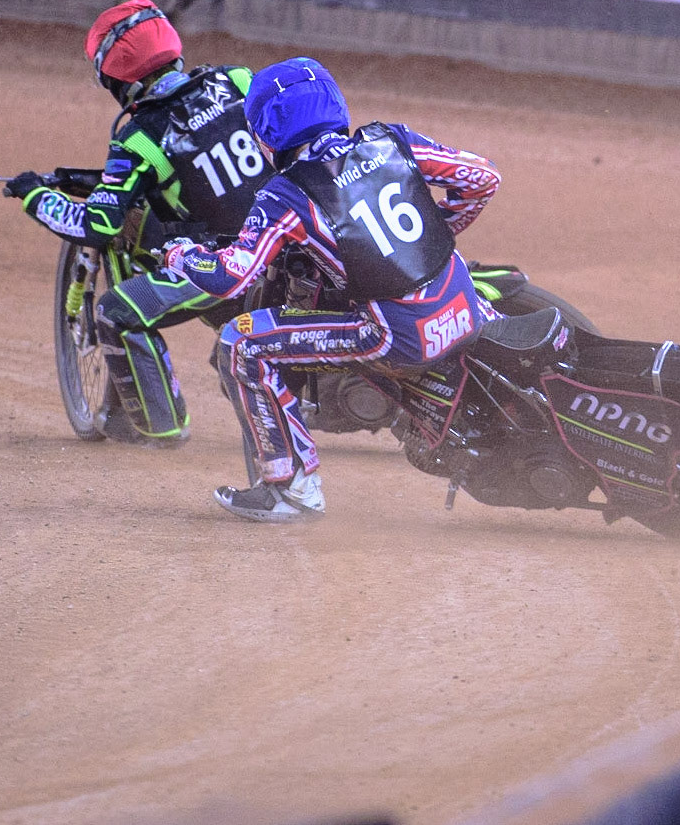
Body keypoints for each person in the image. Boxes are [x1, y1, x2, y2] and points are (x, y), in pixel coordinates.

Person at [160, 57, 502, 521]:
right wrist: (434, 230)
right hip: (466, 307)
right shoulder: (391, 140)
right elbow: (483, 179)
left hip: (397, 337)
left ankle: (291, 490)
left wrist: (180, 254)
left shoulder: (286, 193)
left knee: (241, 343)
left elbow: (232, 277)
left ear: (267, 133)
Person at [2, 0, 264, 445]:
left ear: (115, 78)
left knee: (116, 311)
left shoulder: (140, 137)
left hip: (229, 267)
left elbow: (99, 225)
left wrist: (35, 196)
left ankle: (161, 427)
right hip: (300, 245)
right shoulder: (237, 79)